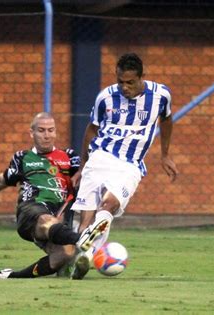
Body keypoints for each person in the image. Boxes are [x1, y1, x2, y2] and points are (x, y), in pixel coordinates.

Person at [70, 53, 179, 279]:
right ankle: (83, 257)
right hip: (100, 157)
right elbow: (91, 130)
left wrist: (165, 154)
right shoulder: (106, 98)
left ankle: (86, 253)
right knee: (85, 222)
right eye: (120, 81)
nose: (124, 87)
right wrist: (82, 166)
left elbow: (167, 120)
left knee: (109, 205)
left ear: (142, 78)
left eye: (130, 82)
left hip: (130, 165)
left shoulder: (160, 95)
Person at [0, 112, 109, 279]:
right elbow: (2, 180)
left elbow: (87, 177)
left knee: (63, 255)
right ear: (32, 133)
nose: (46, 135)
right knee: (47, 220)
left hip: (59, 219)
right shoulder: (22, 157)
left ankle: (9, 276)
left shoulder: (69, 157)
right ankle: (82, 239)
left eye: (50, 130)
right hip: (31, 211)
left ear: (55, 132)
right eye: (41, 130)